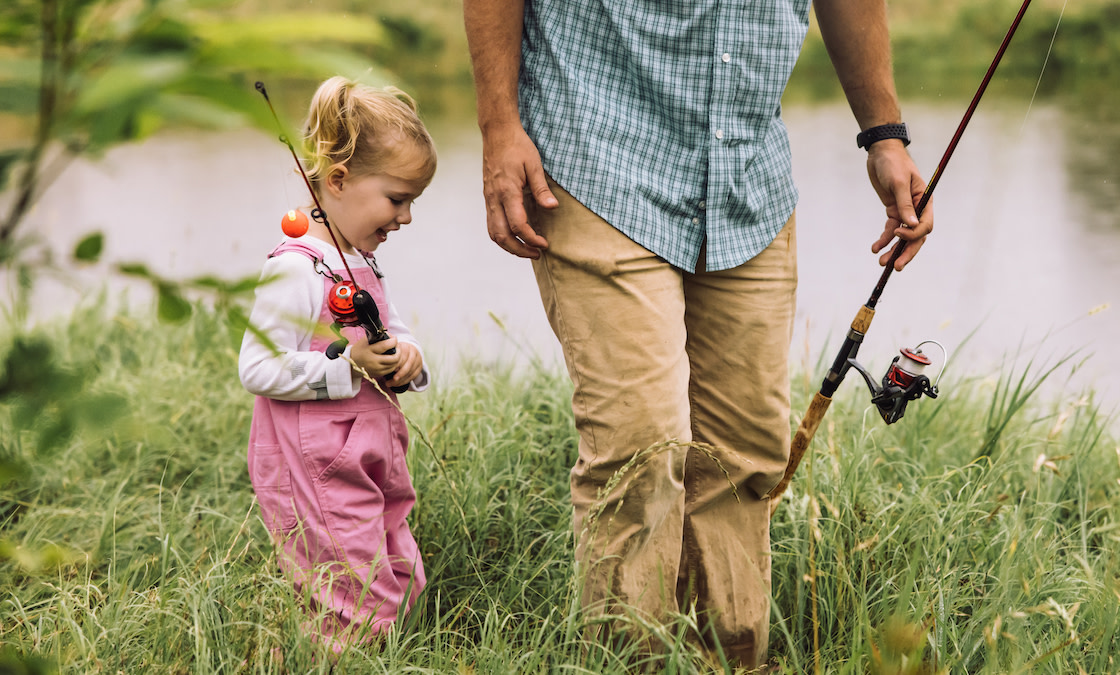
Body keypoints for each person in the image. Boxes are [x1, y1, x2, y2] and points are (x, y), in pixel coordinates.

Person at [464, 0, 934, 668]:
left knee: (744, 457)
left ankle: (730, 660)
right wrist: (499, 124)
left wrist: (885, 134)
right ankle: (631, 662)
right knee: (640, 450)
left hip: (748, 181)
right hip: (596, 158)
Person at [238, 75, 436, 653]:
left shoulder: (360, 259)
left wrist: (408, 358)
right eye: (397, 199)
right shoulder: (296, 267)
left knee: (400, 573)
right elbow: (257, 367)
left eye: (412, 203)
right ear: (340, 180)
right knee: (352, 598)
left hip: (375, 453)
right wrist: (346, 366)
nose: (404, 218)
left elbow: (392, 332)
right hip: (317, 464)